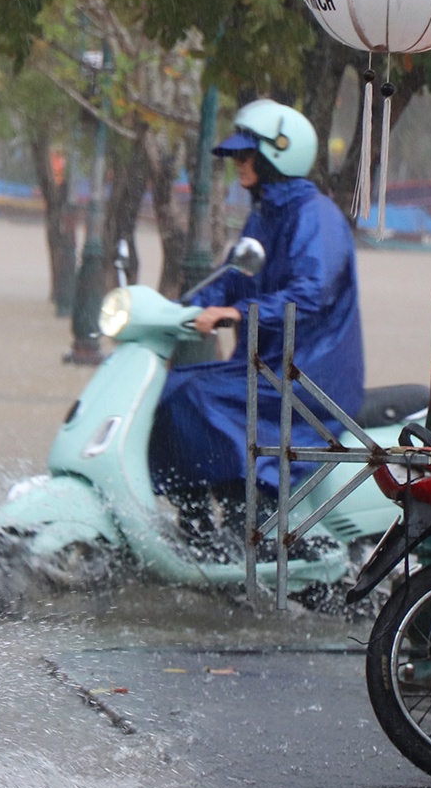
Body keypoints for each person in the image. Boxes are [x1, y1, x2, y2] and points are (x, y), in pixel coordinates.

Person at [150, 99, 363, 498]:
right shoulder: (263, 216)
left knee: (194, 396)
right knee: (169, 390)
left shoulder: (316, 217)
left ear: (278, 154)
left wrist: (234, 311)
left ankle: (246, 509)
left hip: (309, 377)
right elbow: (232, 278)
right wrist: (173, 312)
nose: (239, 164)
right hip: (265, 369)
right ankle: (195, 515)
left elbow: (310, 294)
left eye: (246, 155)